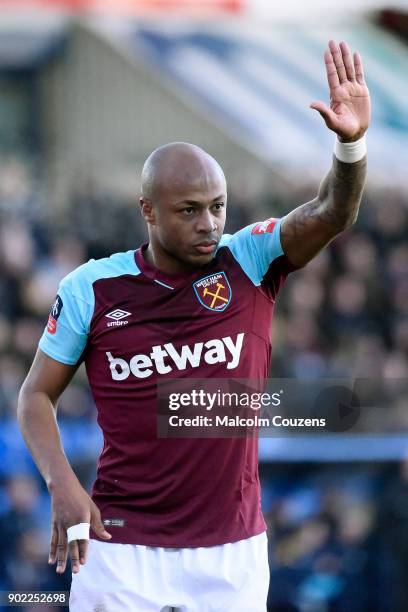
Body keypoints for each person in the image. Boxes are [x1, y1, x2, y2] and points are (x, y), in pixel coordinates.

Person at [18, 40, 370, 611]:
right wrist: (63, 485)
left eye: (218, 206)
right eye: (189, 210)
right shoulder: (91, 288)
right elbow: (35, 396)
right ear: (147, 210)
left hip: (230, 551)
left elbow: (332, 211)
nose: (208, 224)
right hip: (120, 545)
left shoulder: (250, 261)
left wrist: (350, 145)